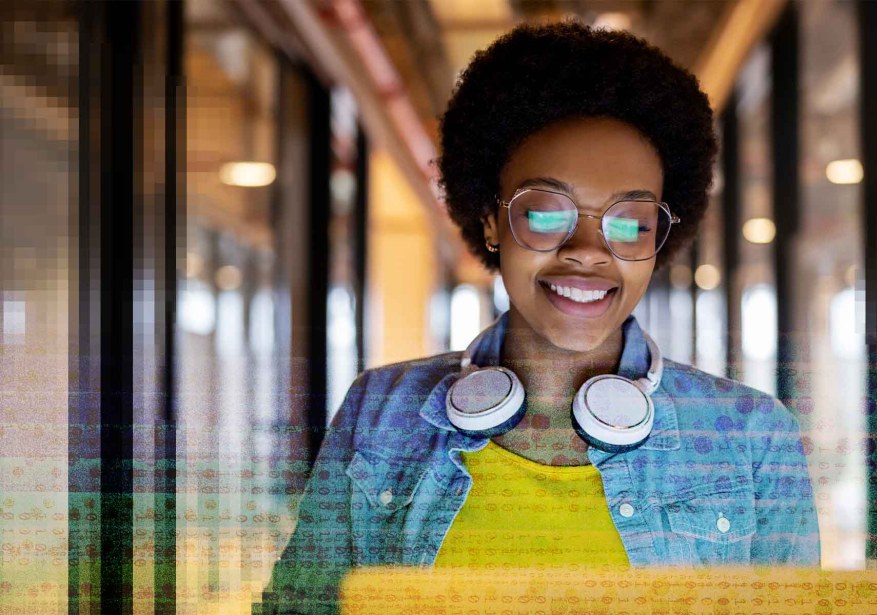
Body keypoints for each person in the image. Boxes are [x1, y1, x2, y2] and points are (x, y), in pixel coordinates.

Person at [260, 20, 819, 615]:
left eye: (630, 221)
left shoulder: (751, 435)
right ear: (491, 223)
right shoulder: (382, 411)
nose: (588, 249)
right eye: (546, 213)